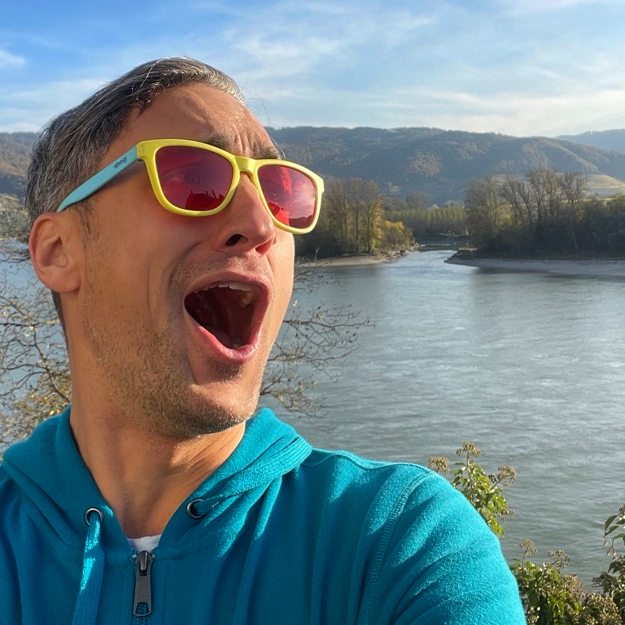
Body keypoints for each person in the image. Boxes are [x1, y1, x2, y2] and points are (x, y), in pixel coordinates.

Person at [0, 57, 525, 624]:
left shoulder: (396, 542)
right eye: (193, 178)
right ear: (58, 251)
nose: (261, 222)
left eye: (281, 192)